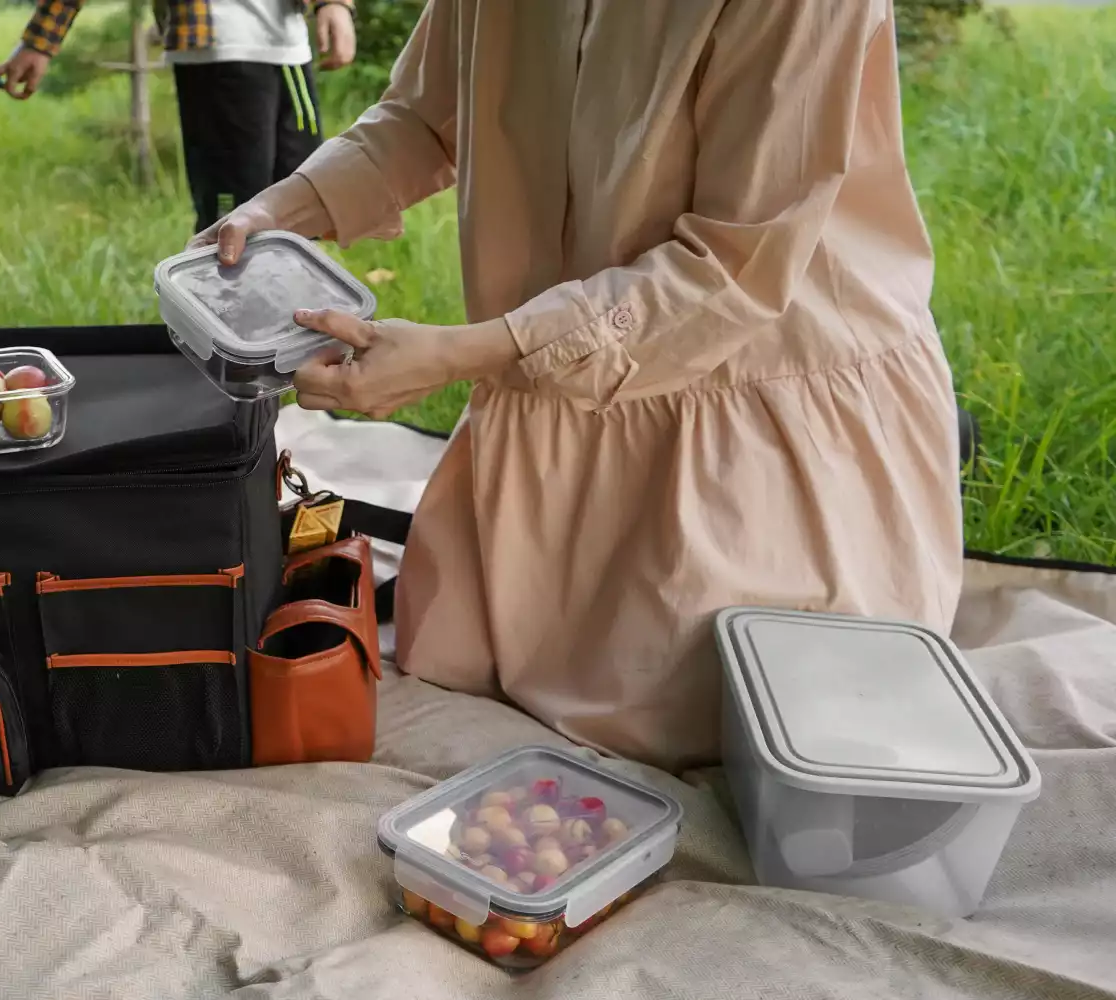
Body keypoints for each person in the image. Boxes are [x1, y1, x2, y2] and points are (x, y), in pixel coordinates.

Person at [199, 0, 964, 771]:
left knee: (730, 710)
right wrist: (284, 207)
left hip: (749, 389)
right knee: (469, 651)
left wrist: (467, 352)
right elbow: (426, 118)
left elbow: (731, 269)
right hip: (553, 378)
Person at [0, 0, 357, 233]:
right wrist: (40, 41)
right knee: (234, 219)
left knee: (303, 210)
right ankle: (233, 341)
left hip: (290, 48)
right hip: (217, 50)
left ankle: (294, 333)